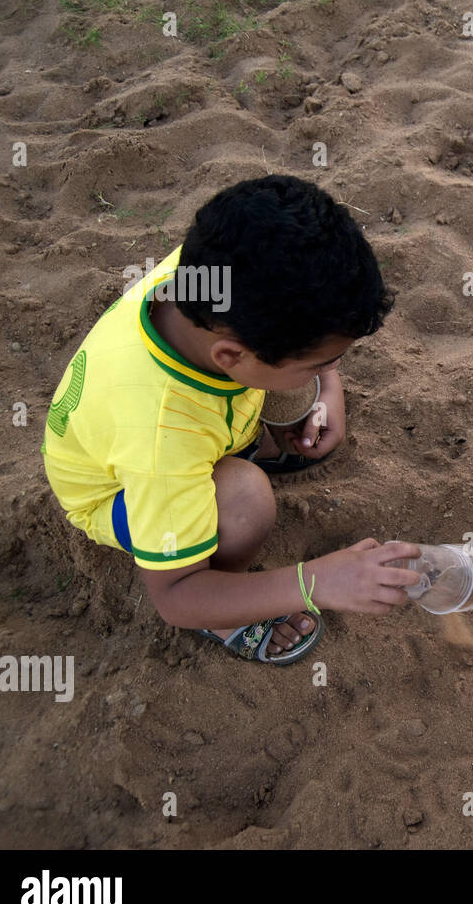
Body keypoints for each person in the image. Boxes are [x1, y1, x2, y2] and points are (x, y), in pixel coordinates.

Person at [41, 175, 422, 665]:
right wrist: (317, 581)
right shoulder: (162, 437)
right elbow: (174, 596)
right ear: (231, 356)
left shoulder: (214, 273)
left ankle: (256, 430)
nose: (328, 369)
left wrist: (325, 387)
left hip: (166, 424)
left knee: (286, 392)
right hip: (114, 491)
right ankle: (224, 617)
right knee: (246, 501)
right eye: (319, 361)